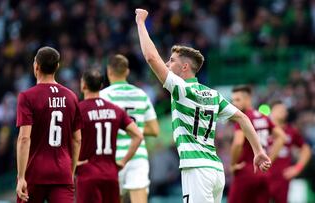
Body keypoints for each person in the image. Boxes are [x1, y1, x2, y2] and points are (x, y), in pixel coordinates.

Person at [135, 8, 271, 203]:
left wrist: (141, 23)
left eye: (171, 61)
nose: (166, 64)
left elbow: (151, 58)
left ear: (185, 67)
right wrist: (258, 151)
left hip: (196, 169)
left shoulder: (182, 89)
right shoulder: (213, 95)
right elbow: (243, 117)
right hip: (215, 170)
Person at [16, 46, 82, 203]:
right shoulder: (71, 96)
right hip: (62, 173)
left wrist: (21, 177)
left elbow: (24, 138)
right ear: (57, 67)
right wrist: (70, 172)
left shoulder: (27, 97)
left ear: (36, 66)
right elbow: (77, 140)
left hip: (34, 173)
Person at [76, 68, 143, 203]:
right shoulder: (115, 110)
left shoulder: (78, 110)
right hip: (111, 175)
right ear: (101, 86)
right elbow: (138, 135)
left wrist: (73, 164)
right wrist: (123, 162)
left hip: (87, 174)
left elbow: (71, 140)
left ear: (83, 85)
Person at [99, 54, 159, 203]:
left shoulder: (102, 96)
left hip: (112, 157)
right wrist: (134, 128)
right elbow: (154, 130)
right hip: (137, 156)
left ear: (109, 71)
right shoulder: (141, 95)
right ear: (127, 72)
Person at [228, 86, 286, 203]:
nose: (234, 103)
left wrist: (233, 164)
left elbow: (238, 143)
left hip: (246, 171)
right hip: (264, 173)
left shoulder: (243, 119)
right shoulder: (263, 117)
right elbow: (281, 137)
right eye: (233, 100)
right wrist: (268, 160)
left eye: (238, 100)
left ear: (248, 99)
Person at [268, 101, 311, 203]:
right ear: (272, 112)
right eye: (279, 110)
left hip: (282, 179)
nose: (283, 112)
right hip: (264, 176)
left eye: (284, 110)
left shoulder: (291, 131)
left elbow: (306, 150)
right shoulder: (263, 129)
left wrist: (297, 168)